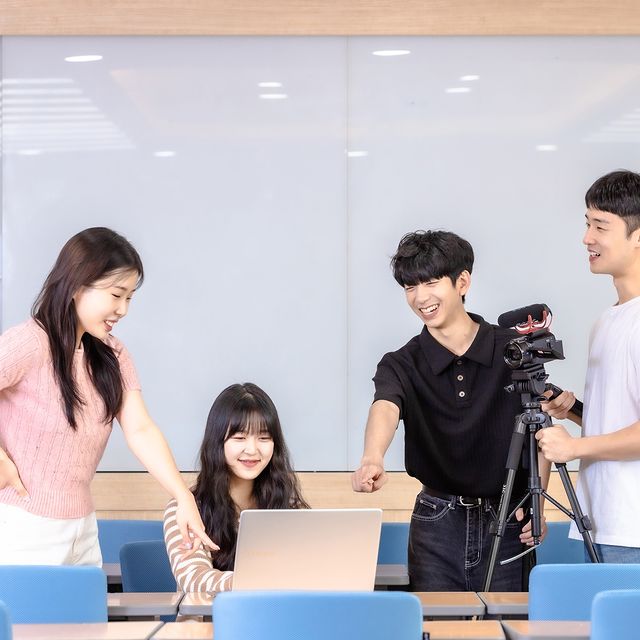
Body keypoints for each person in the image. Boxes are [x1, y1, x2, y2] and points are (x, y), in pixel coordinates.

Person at [0, 227, 215, 565]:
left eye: (129, 297)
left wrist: (182, 495)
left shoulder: (112, 355)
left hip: (83, 530)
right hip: (24, 527)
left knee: (88, 605)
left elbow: (140, 429)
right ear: (76, 285)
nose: (123, 309)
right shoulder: (30, 343)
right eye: (116, 295)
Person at [352, 229, 548, 592]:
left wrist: (537, 502)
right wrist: (371, 457)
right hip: (436, 521)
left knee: (507, 621)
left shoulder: (515, 350)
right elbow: (385, 405)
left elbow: (541, 429)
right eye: (410, 287)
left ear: (462, 282)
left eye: (430, 282)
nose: (420, 297)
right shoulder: (401, 362)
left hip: (507, 516)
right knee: (435, 621)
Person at [537, 170, 640, 563]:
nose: (587, 238)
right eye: (587, 224)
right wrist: (577, 412)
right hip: (600, 522)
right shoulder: (607, 320)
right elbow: (623, 421)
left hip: (632, 529)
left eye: (601, 226)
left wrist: (575, 447)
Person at [164, 382, 308, 592]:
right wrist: (267, 581)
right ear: (217, 442)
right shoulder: (185, 509)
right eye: (239, 438)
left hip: (272, 612)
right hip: (210, 613)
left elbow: (307, 570)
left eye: (264, 438)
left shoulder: (287, 504)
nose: (252, 450)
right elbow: (194, 580)